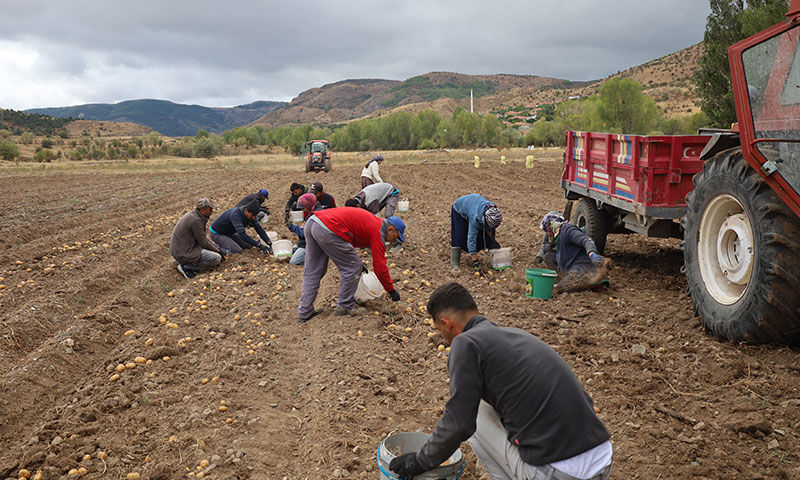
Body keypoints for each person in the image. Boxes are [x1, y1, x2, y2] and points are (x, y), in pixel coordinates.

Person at [390, 282, 613, 480]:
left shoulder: (465, 343)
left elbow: (460, 423)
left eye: (440, 331)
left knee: (475, 414)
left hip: (560, 473)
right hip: (601, 459)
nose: (444, 338)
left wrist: (420, 461)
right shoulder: (515, 336)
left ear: (446, 323)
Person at [297, 207, 406, 323]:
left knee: (313, 271)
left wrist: (354, 260)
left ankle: (304, 312)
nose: (393, 241)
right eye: (395, 237)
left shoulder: (373, 222)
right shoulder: (378, 231)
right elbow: (379, 267)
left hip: (313, 222)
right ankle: (345, 305)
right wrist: (391, 290)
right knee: (352, 268)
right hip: (328, 227)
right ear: (390, 229)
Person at [536, 211, 607, 292]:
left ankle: (582, 283)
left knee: (560, 288)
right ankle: (564, 278)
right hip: (570, 266)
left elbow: (586, 240)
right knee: (548, 257)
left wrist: (592, 253)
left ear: (552, 226)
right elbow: (545, 246)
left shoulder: (568, 230)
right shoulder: (557, 236)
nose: (548, 234)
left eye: (548, 231)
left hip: (582, 267)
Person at [169, 198, 223, 279]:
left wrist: (215, 247)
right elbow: (203, 242)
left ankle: (189, 265)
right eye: (210, 210)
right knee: (216, 258)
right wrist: (218, 251)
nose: (211, 212)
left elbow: (202, 238)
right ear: (202, 211)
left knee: (213, 251)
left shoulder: (193, 215)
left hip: (182, 249)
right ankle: (186, 267)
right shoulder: (196, 221)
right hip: (184, 253)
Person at [450, 194, 502, 272]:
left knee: (490, 237)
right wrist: (476, 261)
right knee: (459, 235)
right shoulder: (475, 218)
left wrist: (491, 240)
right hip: (459, 209)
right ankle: (454, 264)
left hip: (474, 205)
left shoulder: (494, 212)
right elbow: (471, 239)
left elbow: (490, 229)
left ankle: (495, 262)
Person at [285, 193, 318, 266]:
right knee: (288, 252)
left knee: (293, 262)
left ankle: (314, 258)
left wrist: (294, 228)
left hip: (310, 244)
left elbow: (308, 233)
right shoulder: (310, 212)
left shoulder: (316, 215)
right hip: (303, 242)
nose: (303, 211)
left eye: (304, 208)